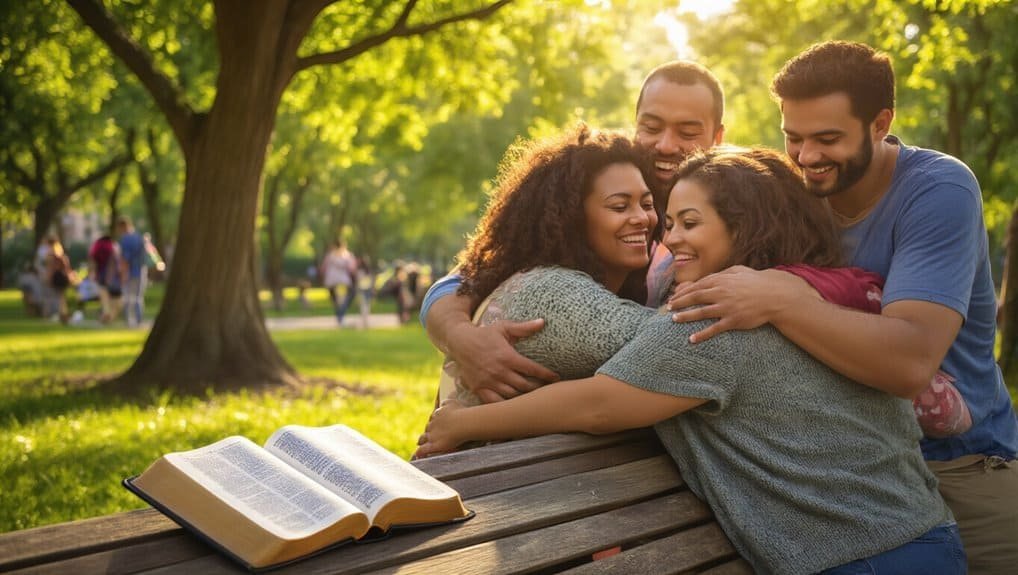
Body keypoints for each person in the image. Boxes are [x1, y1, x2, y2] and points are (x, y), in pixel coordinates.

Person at [416, 148, 964, 575]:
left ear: (744, 227)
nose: (667, 236)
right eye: (670, 220)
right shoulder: (811, 299)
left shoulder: (718, 317)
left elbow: (602, 404)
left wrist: (465, 421)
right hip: (923, 535)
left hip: (862, 559)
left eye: (688, 223)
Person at [667, 41, 1018, 573]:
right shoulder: (793, 193)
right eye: (793, 138)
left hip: (963, 466)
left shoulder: (938, 190)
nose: (807, 157)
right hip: (852, 477)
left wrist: (784, 299)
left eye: (828, 139)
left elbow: (908, 361)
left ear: (880, 124)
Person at [419, 61, 725, 403]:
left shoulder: (732, 214)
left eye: (687, 133)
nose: (666, 145)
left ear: (718, 138)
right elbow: (461, 283)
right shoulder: (583, 192)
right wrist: (463, 339)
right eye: (651, 127)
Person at [436, 125, 657, 408]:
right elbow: (689, 348)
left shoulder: (539, 277)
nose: (641, 218)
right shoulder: (557, 297)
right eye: (619, 207)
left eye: (647, 204)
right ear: (572, 217)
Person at [117, 216, 147, 328]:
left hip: (130, 272)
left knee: (128, 297)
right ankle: (139, 320)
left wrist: (123, 273)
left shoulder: (125, 239)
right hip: (141, 270)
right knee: (138, 297)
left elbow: (125, 258)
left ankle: (129, 321)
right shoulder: (139, 237)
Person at [320, 240, 356, 325]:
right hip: (343, 281)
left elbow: (323, 268)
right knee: (349, 296)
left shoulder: (330, 255)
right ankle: (341, 314)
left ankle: (339, 315)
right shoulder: (347, 255)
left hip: (331, 281)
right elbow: (352, 269)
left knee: (335, 300)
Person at [88, 233, 122, 324]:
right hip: (112, 276)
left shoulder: (97, 247)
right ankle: (109, 316)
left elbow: (92, 261)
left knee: (104, 298)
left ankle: (106, 314)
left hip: (100, 275)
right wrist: (110, 276)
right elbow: (113, 263)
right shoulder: (112, 247)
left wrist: (93, 274)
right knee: (116, 299)